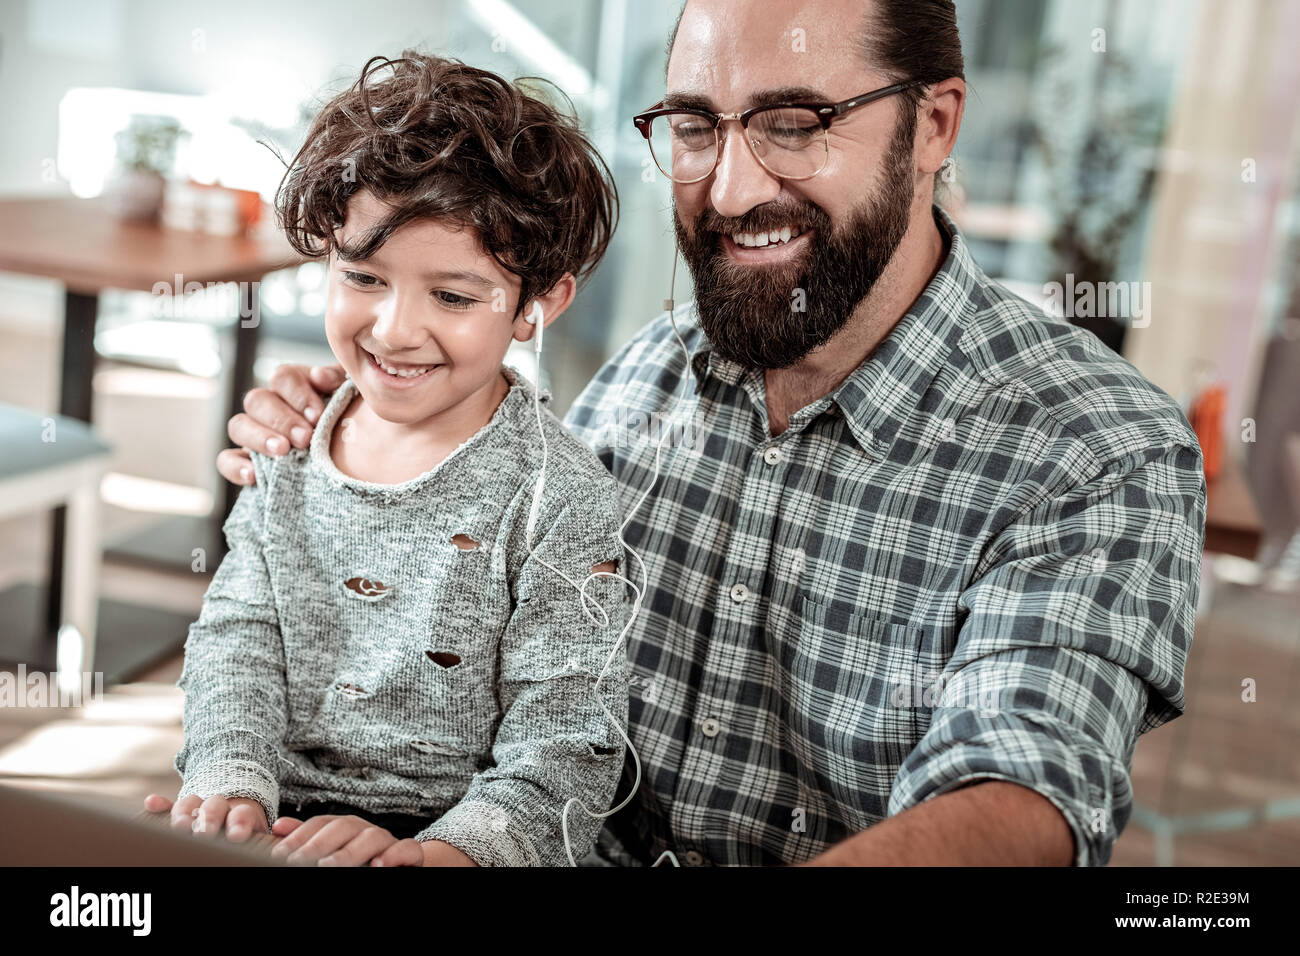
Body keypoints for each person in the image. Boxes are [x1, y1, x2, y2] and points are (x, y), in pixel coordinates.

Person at [214, 0, 1207, 867]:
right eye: (694, 125)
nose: (729, 190)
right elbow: (500, 661)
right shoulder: (650, 369)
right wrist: (368, 421)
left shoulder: (1096, 446)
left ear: (934, 122)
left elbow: (1020, 795)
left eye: (793, 122)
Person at [145, 52, 630, 868]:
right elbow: (238, 633)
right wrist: (231, 780)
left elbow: (568, 740)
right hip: (266, 810)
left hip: (454, 837)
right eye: (363, 277)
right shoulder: (291, 439)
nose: (396, 330)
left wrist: (452, 851)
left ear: (538, 303)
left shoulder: (561, 496)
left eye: (452, 295)